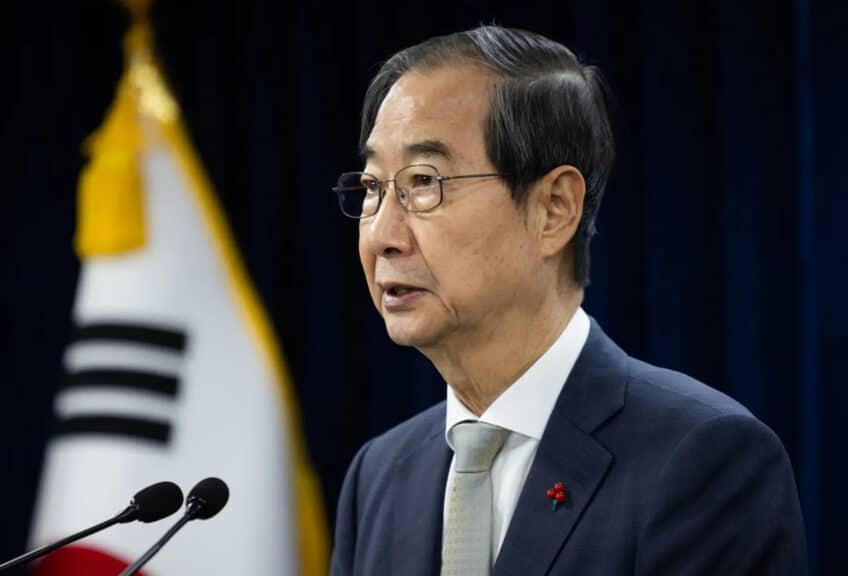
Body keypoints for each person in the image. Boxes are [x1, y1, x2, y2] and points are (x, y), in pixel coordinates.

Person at [329, 25, 806, 576]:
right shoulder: (380, 476)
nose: (382, 235)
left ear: (554, 208)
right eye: (372, 187)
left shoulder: (704, 460)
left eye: (423, 182)